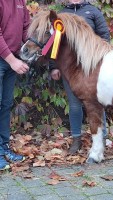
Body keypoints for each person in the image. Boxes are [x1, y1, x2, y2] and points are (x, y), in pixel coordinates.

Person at [50, 0, 110, 154]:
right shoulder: (61, 15)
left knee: (97, 102)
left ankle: (102, 137)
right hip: (70, 69)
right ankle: (76, 139)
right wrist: (54, 66)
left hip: (92, 67)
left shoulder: (93, 11)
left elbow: (104, 37)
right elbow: (54, 43)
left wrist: (101, 61)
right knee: (75, 105)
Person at [0, 0, 30, 170]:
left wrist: (32, 46)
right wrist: (12, 61)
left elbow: (26, 28)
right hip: (5, 60)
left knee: (5, 105)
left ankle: (4, 148)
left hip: (13, 60)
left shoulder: (20, 1)